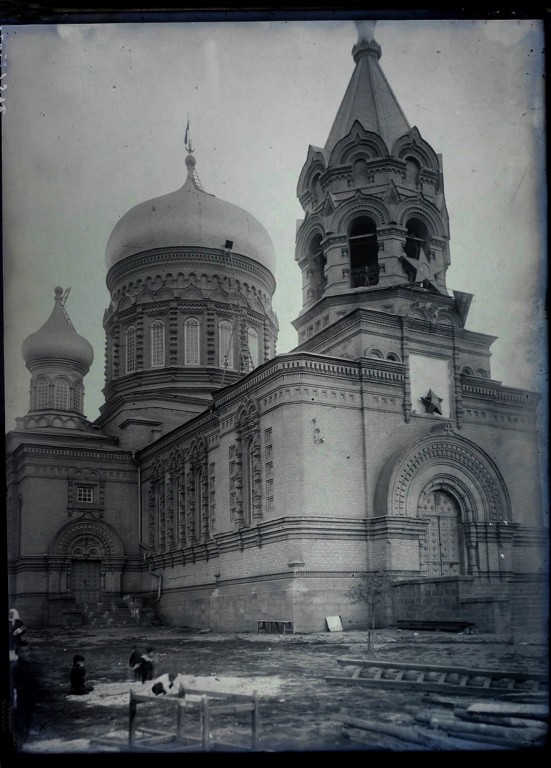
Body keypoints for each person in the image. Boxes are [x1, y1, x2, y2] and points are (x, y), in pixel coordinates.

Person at [10, 644, 38, 751]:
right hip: (21, 698)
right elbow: (13, 683)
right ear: (17, 653)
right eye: (22, 651)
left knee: (28, 722)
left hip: (30, 698)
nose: (25, 653)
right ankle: (18, 747)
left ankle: (23, 745)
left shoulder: (29, 665)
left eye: (27, 651)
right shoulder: (15, 667)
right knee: (21, 723)